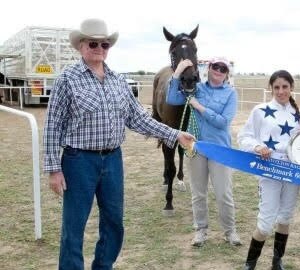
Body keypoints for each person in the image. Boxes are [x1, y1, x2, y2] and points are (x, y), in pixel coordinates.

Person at [43, 18, 195, 270]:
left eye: (105, 44)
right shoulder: (66, 80)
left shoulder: (118, 81)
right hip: (78, 161)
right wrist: (53, 168)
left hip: (113, 160)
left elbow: (138, 119)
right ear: (81, 46)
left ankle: (103, 266)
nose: (100, 48)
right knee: (74, 225)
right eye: (93, 43)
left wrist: (175, 134)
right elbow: (52, 126)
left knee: (114, 222)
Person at [166, 57, 242, 247]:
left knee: (223, 193)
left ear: (227, 73)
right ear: (208, 68)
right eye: (215, 66)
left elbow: (223, 122)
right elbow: (172, 98)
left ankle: (230, 231)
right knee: (198, 193)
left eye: (223, 68)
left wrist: (199, 107)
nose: (218, 70)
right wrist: (177, 73)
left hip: (220, 150)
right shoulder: (197, 88)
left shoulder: (231, 94)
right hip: (197, 147)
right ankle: (201, 230)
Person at [238, 70, 300, 270]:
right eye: (276, 87)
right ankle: (250, 264)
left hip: (293, 171)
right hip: (269, 170)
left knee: (285, 217)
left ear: (291, 87)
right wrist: (258, 147)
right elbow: (244, 136)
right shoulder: (260, 111)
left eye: (285, 86)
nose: (281, 91)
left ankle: (277, 262)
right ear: (271, 88)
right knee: (266, 221)